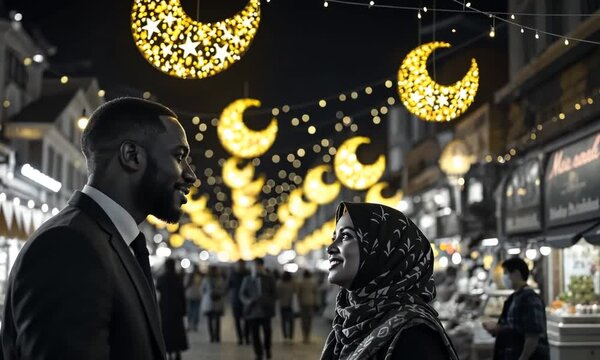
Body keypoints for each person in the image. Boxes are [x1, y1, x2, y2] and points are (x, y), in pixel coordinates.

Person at [1, 97, 197, 359]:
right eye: (179, 156)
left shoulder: (106, 241)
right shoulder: (69, 247)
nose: (191, 175)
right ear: (131, 155)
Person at [321, 202, 459, 360]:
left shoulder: (413, 336)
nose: (330, 247)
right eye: (334, 237)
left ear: (382, 250)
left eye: (345, 236)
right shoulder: (345, 325)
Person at [483, 257, 550, 360]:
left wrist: (523, 357)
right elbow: (515, 328)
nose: (503, 277)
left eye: (506, 273)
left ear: (516, 274)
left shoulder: (530, 299)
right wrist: (498, 329)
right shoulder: (514, 297)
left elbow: (533, 335)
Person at [239, 258, 276, 360]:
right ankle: (258, 353)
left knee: (267, 332)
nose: (257, 267)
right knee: (254, 333)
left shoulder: (269, 278)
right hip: (252, 311)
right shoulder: (247, 279)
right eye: (255, 265)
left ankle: (267, 349)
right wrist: (248, 301)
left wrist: (268, 301)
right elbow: (242, 294)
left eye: (259, 265)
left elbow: (274, 293)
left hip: (265, 310)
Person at [157, 258, 189, 360]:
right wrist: (184, 310)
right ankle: (177, 351)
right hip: (177, 308)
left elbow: (158, 291)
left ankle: (169, 352)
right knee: (177, 331)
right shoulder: (178, 278)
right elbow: (182, 295)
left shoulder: (161, 278)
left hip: (165, 308)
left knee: (167, 331)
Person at [201, 265, 226, 343]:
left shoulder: (217, 279)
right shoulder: (208, 279)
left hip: (214, 302)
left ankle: (216, 336)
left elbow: (202, 290)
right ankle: (212, 336)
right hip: (210, 302)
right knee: (211, 320)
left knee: (216, 320)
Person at [229, 259, 251, 345]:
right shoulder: (234, 275)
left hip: (245, 300)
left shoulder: (247, 274)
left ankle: (246, 336)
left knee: (247, 320)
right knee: (237, 320)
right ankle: (240, 337)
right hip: (236, 300)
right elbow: (229, 285)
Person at [297, 269, 319, 343]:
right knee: (309, 320)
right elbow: (315, 293)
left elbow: (299, 294)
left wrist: (299, 302)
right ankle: (308, 336)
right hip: (311, 303)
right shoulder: (313, 282)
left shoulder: (301, 282)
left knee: (303, 320)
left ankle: (304, 337)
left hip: (303, 303)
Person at [276, 271, 296, 342]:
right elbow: (295, 292)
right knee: (291, 322)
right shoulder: (292, 283)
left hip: (283, 304)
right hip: (291, 305)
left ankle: (285, 337)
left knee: (283, 321)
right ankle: (291, 337)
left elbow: (277, 294)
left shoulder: (280, 283)